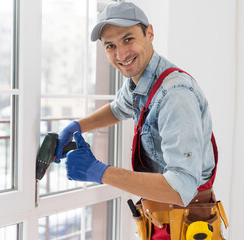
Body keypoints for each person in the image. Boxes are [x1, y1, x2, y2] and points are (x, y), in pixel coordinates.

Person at [54, 2, 228, 239]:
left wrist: (99, 171)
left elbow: (181, 188)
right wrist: (77, 126)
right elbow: (118, 108)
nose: (121, 55)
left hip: (186, 220)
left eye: (128, 39)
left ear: (150, 33)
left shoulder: (175, 95)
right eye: (110, 46)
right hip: (162, 218)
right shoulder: (142, 81)